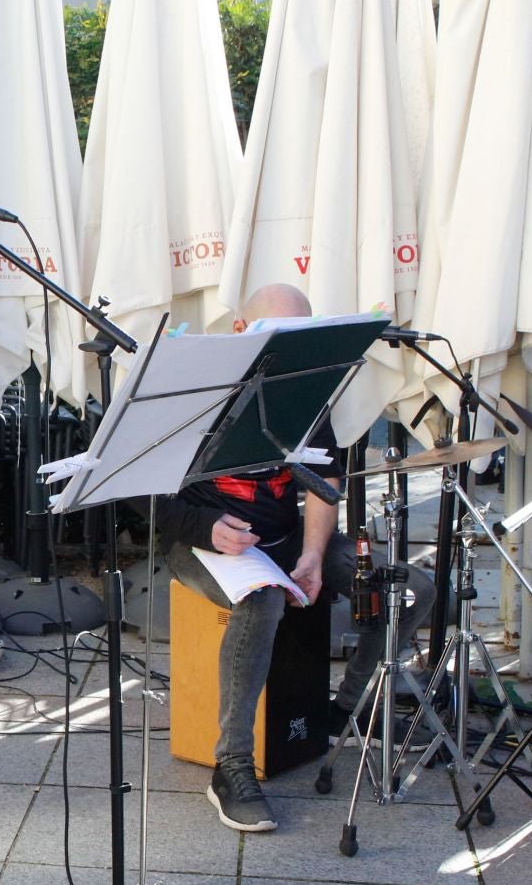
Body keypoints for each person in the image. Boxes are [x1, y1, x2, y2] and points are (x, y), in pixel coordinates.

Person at [155, 285, 434, 834]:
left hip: (285, 536)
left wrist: (311, 555)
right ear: (241, 331)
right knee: (261, 602)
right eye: (281, 333)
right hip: (201, 540)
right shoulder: (194, 391)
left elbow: (326, 479)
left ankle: (343, 710)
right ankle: (231, 766)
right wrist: (207, 526)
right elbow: (149, 498)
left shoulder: (306, 391)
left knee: (411, 590)